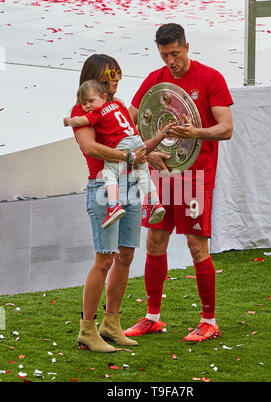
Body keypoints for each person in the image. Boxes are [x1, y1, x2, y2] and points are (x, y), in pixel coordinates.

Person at [124, 23, 234, 342]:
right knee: (155, 243)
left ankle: (208, 321)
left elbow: (226, 128)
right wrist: (147, 153)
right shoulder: (155, 80)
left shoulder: (210, 78)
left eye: (174, 53)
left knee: (196, 245)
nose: (170, 62)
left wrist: (195, 133)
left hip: (196, 175)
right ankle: (152, 318)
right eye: (164, 55)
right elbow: (130, 121)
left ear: (187, 46)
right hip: (162, 176)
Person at [69, 54, 148, 353]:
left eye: (118, 73)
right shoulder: (81, 111)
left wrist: (153, 150)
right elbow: (90, 147)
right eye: (111, 74)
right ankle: (87, 330)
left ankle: (111, 323)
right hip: (104, 187)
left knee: (125, 256)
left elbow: (134, 141)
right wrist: (129, 157)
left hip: (130, 184)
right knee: (104, 259)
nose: (116, 79)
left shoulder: (117, 106)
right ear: (96, 76)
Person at [64, 80, 166, 229]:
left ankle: (113, 206)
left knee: (109, 173)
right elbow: (128, 116)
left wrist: (68, 121)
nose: (87, 106)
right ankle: (155, 203)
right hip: (135, 139)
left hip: (122, 144)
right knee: (143, 173)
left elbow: (80, 121)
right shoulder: (118, 105)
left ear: (104, 98)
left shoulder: (98, 113)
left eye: (91, 101)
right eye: (84, 104)